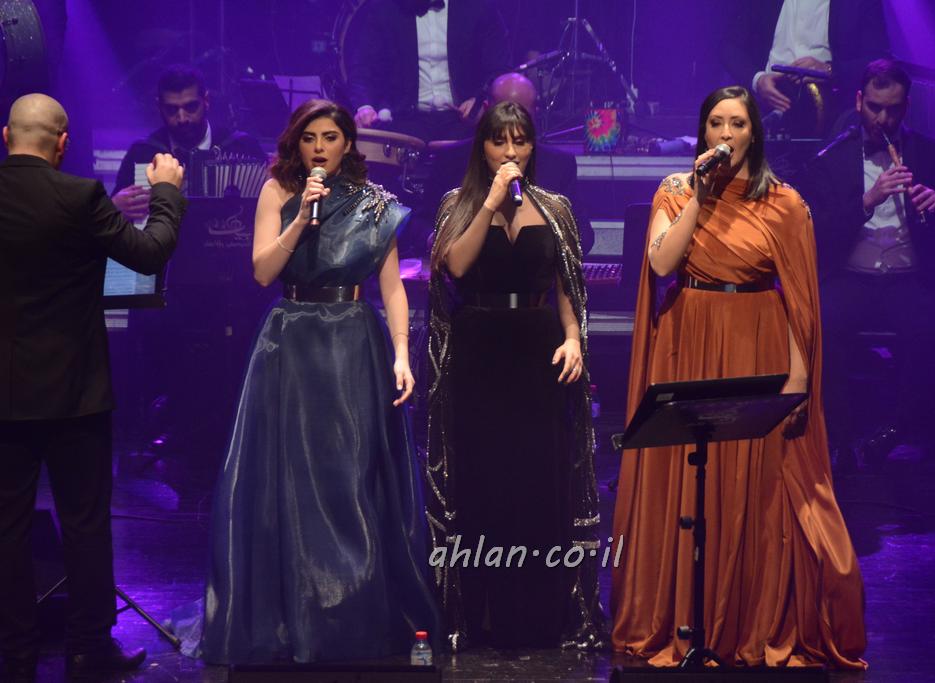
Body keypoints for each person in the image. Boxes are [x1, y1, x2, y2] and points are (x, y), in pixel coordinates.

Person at [611, 85, 867, 668]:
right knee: (692, 484)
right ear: (703, 132)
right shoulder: (675, 191)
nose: (726, 135)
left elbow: (801, 303)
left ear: (755, 133)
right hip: (690, 345)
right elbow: (661, 263)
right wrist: (700, 199)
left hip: (757, 349)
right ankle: (687, 619)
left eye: (738, 124)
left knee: (756, 488)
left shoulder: (785, 203)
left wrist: (798, 380)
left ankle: (747, 620)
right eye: (716, 124)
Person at [185, 99, 439, 664]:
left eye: (330, 137)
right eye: (309, 138)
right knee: (289, 475)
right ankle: (289, 610)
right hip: (291, 339)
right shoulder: (276, 191)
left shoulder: (375, 203)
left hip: (352, 340)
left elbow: (392, 287)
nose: (319, 147)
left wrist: (402, 354)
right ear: (296, 143)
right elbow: (262, 271)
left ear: (347, 143)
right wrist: (301, 218)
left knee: (349, 473)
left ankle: (352, 612)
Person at [0, 94, 185, 681]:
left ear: (6, 136)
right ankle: (87, 650)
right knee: (84, 524)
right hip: (76, 392)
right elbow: (149, 253)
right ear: (63, 143)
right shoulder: (80, 196)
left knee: (7, 528)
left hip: (5, 394)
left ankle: (15, 655)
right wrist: (166, 193)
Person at [426, 101, 602, 651]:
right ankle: (481, 616)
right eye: (499, 141)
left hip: (536, 349)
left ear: (532, 146)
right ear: (482, 148)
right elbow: (455, 266)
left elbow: (566, 285)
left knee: (536, 478)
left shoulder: (555, 208)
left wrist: (572, 338)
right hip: (479, 349)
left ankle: (538, 616)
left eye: (520, 141)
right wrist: (490, 203)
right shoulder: (457, 204)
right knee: (485, 480)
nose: (510, 152)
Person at [798, 59, 935, 463]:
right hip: (850, 276)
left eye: (893, 109)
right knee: (819, 323)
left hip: (910, 277)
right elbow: (818, 232)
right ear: (859, 101)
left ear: (906, 107)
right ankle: (837, 437)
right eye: (874, 107)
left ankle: (899, 430)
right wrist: (868, 201)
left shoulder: (934, 154)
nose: (883, 119)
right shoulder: (832, 158)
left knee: (933, 324)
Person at [425, 72, 594, 255]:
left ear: (534, 115)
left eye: (521, 116)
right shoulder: (451, 159)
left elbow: (583, 235)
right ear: (487, 110)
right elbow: (421, 223)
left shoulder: (558, 165)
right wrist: (441, 239)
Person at [345, 0, 512, 142]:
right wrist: (364, 106)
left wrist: (480, 99)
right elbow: (362, 67)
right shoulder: (385, 8)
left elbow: (499, 68)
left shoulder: (479, 7)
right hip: (403, 118)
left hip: (462, 120)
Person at [112, 64, 264, 216]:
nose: (182, 118)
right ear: (159, 107)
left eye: (191, 107)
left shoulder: (242, 147)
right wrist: (113, 208)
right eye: (172, 109)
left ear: (206, 101)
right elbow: (114, 222)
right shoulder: (142, 153)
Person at [722, 0, 890, 135]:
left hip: (830, 112)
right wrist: (757, 80)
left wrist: (830, 70)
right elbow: (730, 47)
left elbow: (878, 59)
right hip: (764, 104)